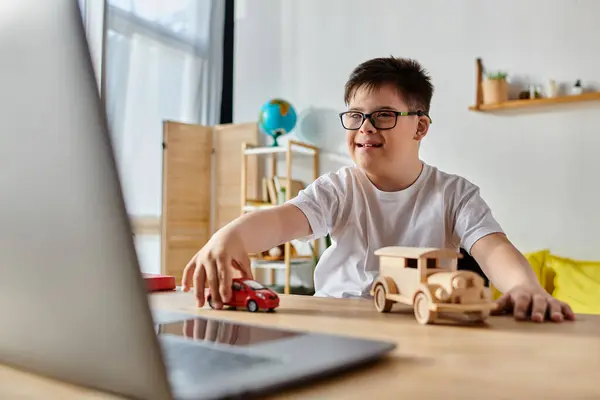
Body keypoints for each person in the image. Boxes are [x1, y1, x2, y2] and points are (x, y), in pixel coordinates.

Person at [182, 56, 575, 323]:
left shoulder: (454, 194)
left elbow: (494, 248)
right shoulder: (338, 188)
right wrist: (230, 235)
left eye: (383, 115)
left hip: (418, 327)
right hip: (337, 324)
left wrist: (525, 286)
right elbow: (282, 221)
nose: (364, 127)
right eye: (355, 116)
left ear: (420, 127)